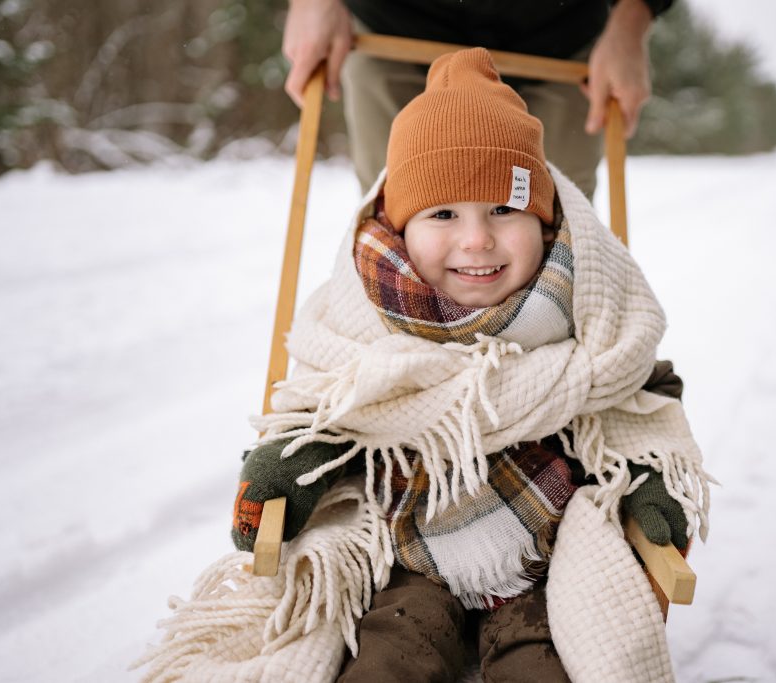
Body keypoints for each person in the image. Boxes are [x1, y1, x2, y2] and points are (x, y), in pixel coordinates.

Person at [234, 48, 710, 681]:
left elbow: (644, 398)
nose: (477, 239)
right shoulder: (363, 322)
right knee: (388, 660)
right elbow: (328, 409)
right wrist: (288, 467)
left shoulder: (591, 319)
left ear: (544, 222)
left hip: (543, 559)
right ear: (401, 229)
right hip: (404, 558)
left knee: (547, 663)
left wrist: (653, 483)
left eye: (504, 210)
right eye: (443, 214)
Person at [281, 0, 675, 198]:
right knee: (397, 208)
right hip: (393, 25)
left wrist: (632, 19)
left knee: (560, 219)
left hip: (559, 39)